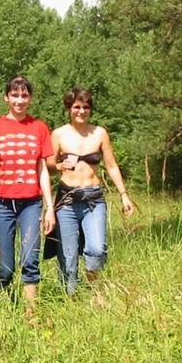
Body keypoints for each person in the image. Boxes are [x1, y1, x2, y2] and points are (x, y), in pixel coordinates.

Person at [0, 76, 55, 314]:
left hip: (31, 204)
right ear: (6, 97)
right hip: (2, 204)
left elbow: (42, 170)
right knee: (6, 266)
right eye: (15, 95)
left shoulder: (39, 127)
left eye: (24, 95)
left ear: (30, 99)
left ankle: (30, 313)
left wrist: (49, 207)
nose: (19, 100)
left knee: (30, 259)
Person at [51, 87, 134, 295]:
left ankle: (92, 287)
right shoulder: (59, 134)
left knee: (96, 249)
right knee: (68, 257)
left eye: (86, 107)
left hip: (93, 199)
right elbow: (48, 164)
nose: (81, 111)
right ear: (69, 108)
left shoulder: (99, 133)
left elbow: (112, 165)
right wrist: (60, 166)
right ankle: (70, 297)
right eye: (76, 107)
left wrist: (124, 195)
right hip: (67, 200)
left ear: (91, 109)